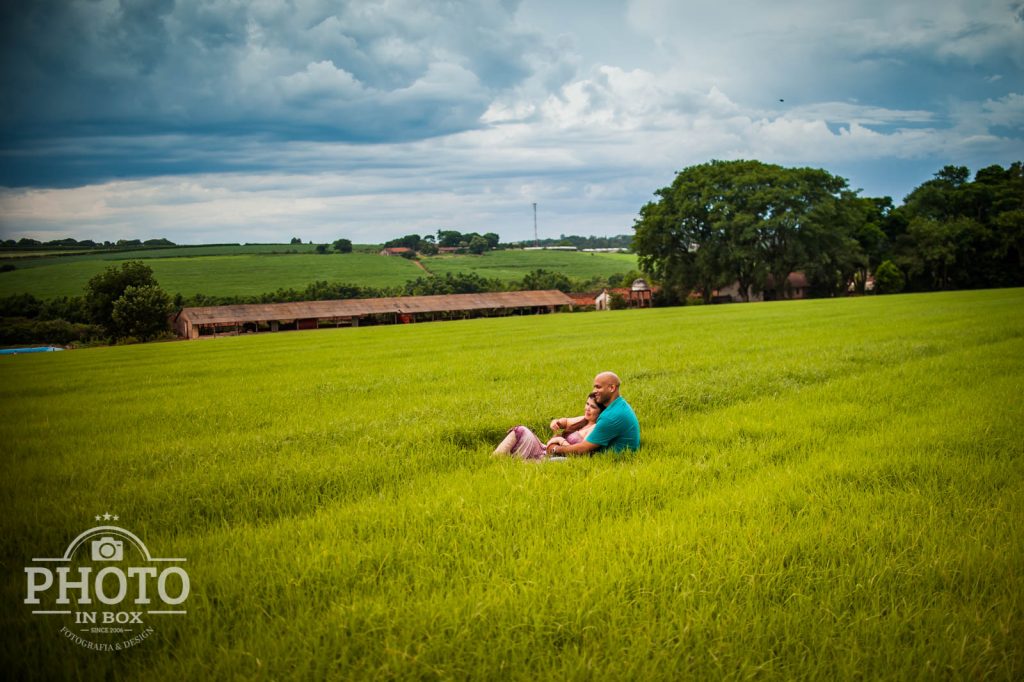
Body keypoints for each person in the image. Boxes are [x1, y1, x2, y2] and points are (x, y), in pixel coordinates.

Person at [547, 371, 640, 456]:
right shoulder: (618, 406)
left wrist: (555, 448)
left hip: (609, 463)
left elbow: (583, 449)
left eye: (598, 387)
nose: (594, 391)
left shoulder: (611, 416)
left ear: (612, 388)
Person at [493, 393, 605, 460]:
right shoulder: (584, 419)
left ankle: (502, 462)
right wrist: (556, 422)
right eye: (587, 404)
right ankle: (494, 459)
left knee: (524, 460)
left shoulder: (595, 428)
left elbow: (582, 452)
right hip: (547, 449)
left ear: (601, 411)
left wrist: (560, 441)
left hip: (558, 458)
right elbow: (564, 421)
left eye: (593, 407)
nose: (587, 408)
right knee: (521, 430)